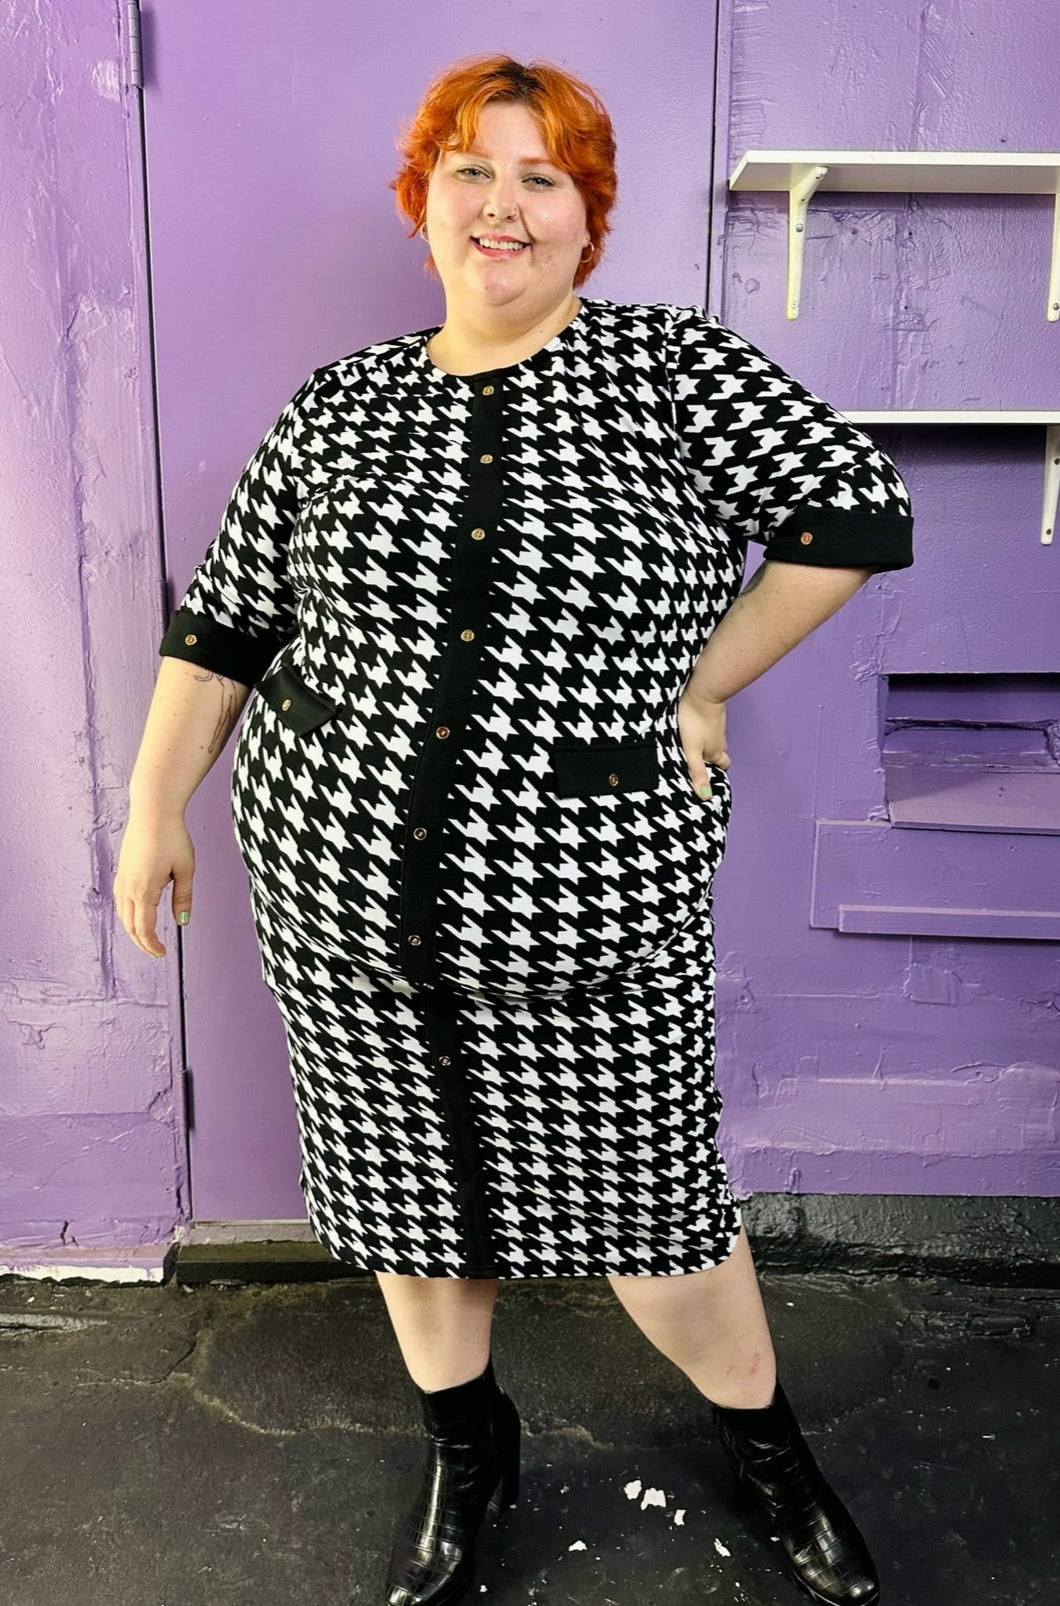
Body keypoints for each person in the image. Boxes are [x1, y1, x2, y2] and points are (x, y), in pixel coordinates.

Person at [115, 51, 913, 1606]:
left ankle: (767, 1451)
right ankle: (469, 1456)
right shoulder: (336, 408)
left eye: (542, 176)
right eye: (471, 170)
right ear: (424, 203)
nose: (502, 202)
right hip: (342, 901)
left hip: (588, 890)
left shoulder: (666, 371)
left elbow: (855, 512)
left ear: (584, 219)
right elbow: (225, 626)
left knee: (658, 1210)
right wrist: (156, 802)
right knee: (414, 1196)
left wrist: (701, 672)